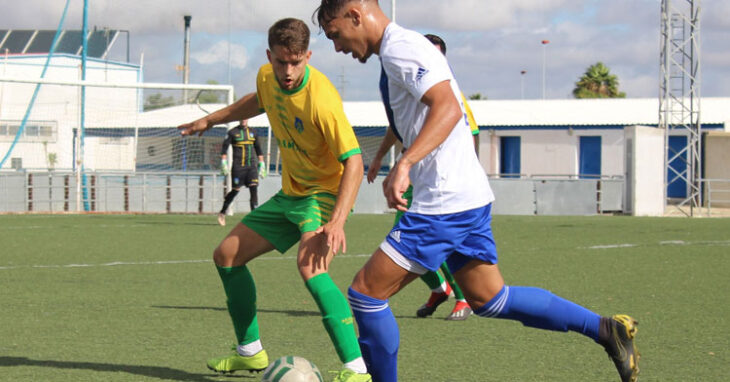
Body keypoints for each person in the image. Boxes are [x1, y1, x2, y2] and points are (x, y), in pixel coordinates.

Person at [315, 2, 639, 382]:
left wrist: (404, 164)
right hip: (464, 197)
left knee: (366, 295)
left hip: (444, 203)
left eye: (335, 34)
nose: (337, 47)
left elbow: (449, 108)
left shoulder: (402, 47)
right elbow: (421, 115)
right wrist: (392, 157)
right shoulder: (397, 50)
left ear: (355, 14)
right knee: (491, 298)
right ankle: (605, 329)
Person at [177, 18, 372, 382]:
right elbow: (258, 102)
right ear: (270, 56)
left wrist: (338, 220)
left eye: (296, 62)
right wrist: (213, 120)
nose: (287, 71)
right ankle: (250, 354)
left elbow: (355, 161)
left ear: (308, 57)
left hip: (324, 195)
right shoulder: (267, 78)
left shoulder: (323, 100)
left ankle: (357, 371)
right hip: (290, 195)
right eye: (281, 61)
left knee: (311, 267)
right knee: (227, 256)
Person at [366, 33, 479, 321]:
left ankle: (462, 298)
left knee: (430, 245)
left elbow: (468, 132)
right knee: (406, 241)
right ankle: (440, 290)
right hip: (416, 179)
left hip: (442, 184)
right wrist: (382, 158)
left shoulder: (448, 94)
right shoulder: (411, 85)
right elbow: (396, 126)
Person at [217, 119, 266, 226]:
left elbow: (258, 148)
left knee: (254, 189)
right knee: (235, 190)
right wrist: (224, 162)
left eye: (246, 117)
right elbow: (224, 148)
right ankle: (222, 212)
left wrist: (262, 163)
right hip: (238, 167)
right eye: (242, 117)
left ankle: (254, 218)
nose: (244, 119)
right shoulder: (233, 132)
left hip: (251, 167)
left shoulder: (253, 132)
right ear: (239, 119)